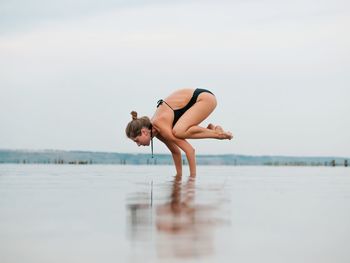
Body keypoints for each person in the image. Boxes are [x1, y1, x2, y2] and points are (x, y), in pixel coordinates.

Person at [125, 88, 233, 176]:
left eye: (136, 141)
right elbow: (175, 152)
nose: (138, 145)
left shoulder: (159, 124)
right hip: (200, 100)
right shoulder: (157, 131)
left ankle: (218, 134)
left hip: (204, 99)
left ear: (144, 132)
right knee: (179, 130)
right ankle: (212, 130)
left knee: (179, 131)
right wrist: (179, 176)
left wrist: (192, 179)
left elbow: (189, 150)